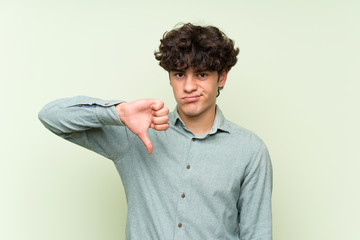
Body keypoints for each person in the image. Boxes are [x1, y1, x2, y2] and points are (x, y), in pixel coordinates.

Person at [39, 23, 273, 240]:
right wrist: (118, 112)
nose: (189, 86)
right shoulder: (137, 134)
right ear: (170, 78)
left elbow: (257, 233)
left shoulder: (250, 150)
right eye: (179, 74)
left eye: (202, 74)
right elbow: (51, 116)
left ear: (221, 77)